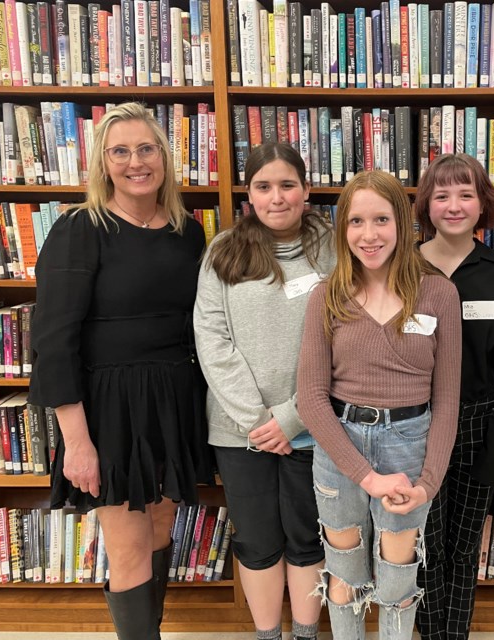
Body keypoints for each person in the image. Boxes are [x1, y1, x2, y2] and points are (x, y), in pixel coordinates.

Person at [28, 101, 215, 640]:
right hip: (108, 409)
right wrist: (78, 443)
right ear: (103, 163)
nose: (136, 162)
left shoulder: (188, 232)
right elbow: (54, 340)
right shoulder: (80, 229)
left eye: (146, 148)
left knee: (159, 527)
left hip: (174, 399)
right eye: (121, 151)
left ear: (164, 156)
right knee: (128, 545)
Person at [297, 170, 462, 640]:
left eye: (381, 220)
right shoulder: (325, 297)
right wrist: (365, 476)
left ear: (404, 225)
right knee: (345, 576)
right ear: (342, 228)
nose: (368, 235)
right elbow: (310, 397)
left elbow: (447, 397)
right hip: (340, 445)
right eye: (356, 222)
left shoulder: (439, 294)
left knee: (397, 578)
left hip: (408, 445)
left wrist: (428, 483)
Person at [193, 142, 335, 640]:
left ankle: (305, 633)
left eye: (287, 185)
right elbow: (212, 339)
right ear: (248, 193)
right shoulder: (223, 251)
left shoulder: (335, 248)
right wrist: (258, 421)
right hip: (240, 431)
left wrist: (294, 417)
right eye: (264, 186)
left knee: (307, 538)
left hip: (315, 425)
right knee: (256, 541)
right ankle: (268, 634)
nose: (277, 197)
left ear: (306, 189)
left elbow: (349, 336)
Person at [413, 153, 494, 640]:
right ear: (426, 206)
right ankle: (430, 633)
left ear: (484, 205)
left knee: (462, 546)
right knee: (424, 545)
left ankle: (452, 635)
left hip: (480, 425)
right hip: (416, 425)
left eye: (466, 194)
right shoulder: (405, 267)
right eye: (442, 195)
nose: (454, 205)